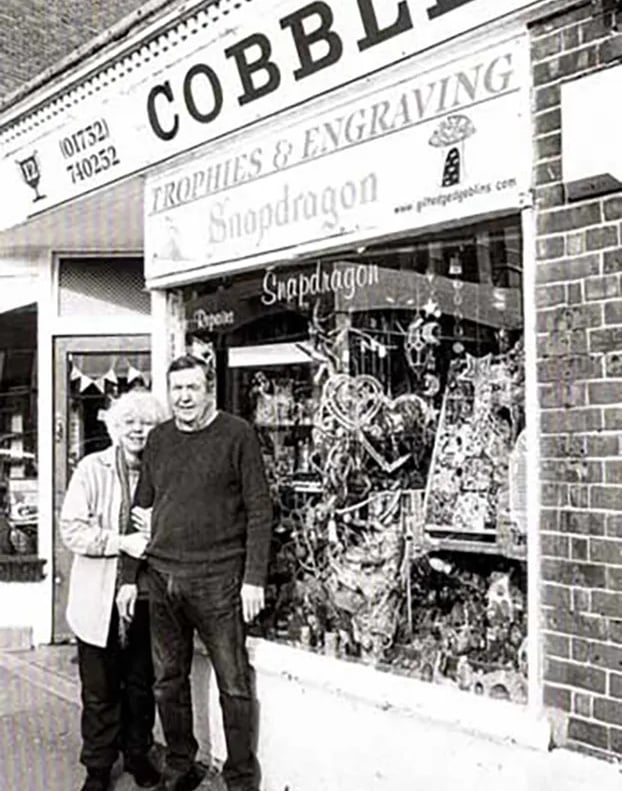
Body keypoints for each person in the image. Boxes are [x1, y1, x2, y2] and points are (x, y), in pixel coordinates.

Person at [118, 354, 272, 791]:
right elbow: (140, 510)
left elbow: (260, 510)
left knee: (234, 684)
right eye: (177, 389)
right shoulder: (160, 440)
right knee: (168, 683)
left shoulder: (237, 435)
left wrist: (254, 578)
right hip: (164, 578)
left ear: (209, 391)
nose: (184, 397)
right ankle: (180, 766)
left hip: (219, 580)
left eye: (192, 388)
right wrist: (130, 576)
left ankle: (241, 777)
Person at [60, 389, 166, 791]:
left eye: (147, 423)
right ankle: (99, 768)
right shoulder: (92, 469)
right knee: (100, 691)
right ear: (114, 428)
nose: (138, 430)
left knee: (141, 688)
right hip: (98, 600)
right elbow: (72, 529)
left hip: (147, 598)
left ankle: (138, 754)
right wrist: (120, 541)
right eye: (129, 423)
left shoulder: (165, 471)